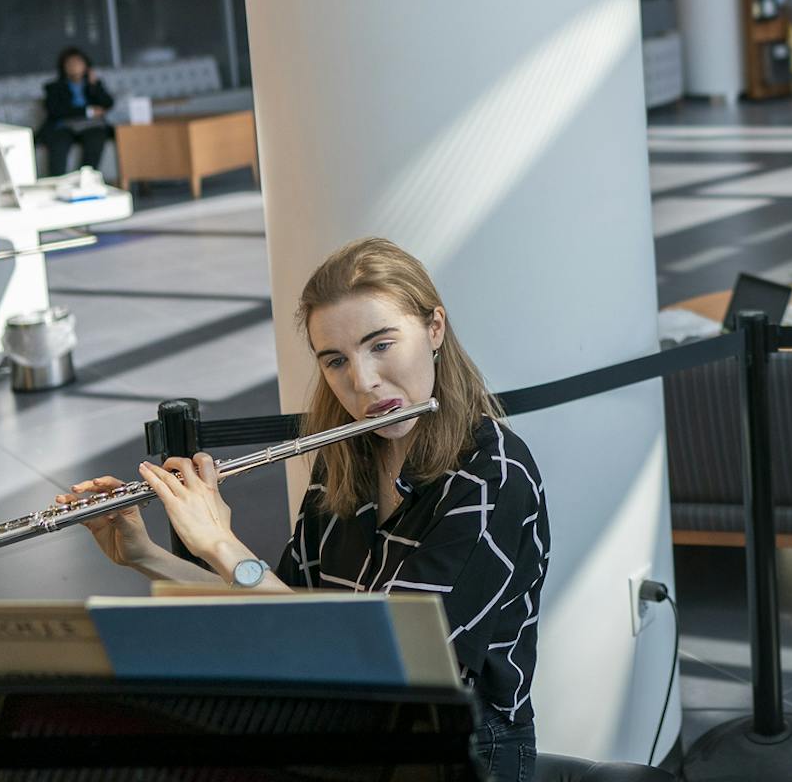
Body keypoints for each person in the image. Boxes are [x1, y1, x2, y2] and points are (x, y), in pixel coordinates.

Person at [61, 237, 548, 780]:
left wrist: (220, 543)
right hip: (349, 730)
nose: (362, 382)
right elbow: (286, 612)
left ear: (434, 329)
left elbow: (397, 670)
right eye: (336, 361)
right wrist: (146, 556)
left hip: (463, 750)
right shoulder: (348, 458)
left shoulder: (493, 475)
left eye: (381, 345)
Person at [40, 46, 115, 176]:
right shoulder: (54, 87)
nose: (74, 66)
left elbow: (108, 104)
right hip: (64, 126)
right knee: (58, 144)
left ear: (86, 65)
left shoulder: (94, 84)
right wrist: (88, 111)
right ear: (63, 67)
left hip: (92, 126)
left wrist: (94, 85)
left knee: (96, 139)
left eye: (78, 63)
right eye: (70, 63)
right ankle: (58, 183)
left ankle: (86, 181)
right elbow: (56, 111)